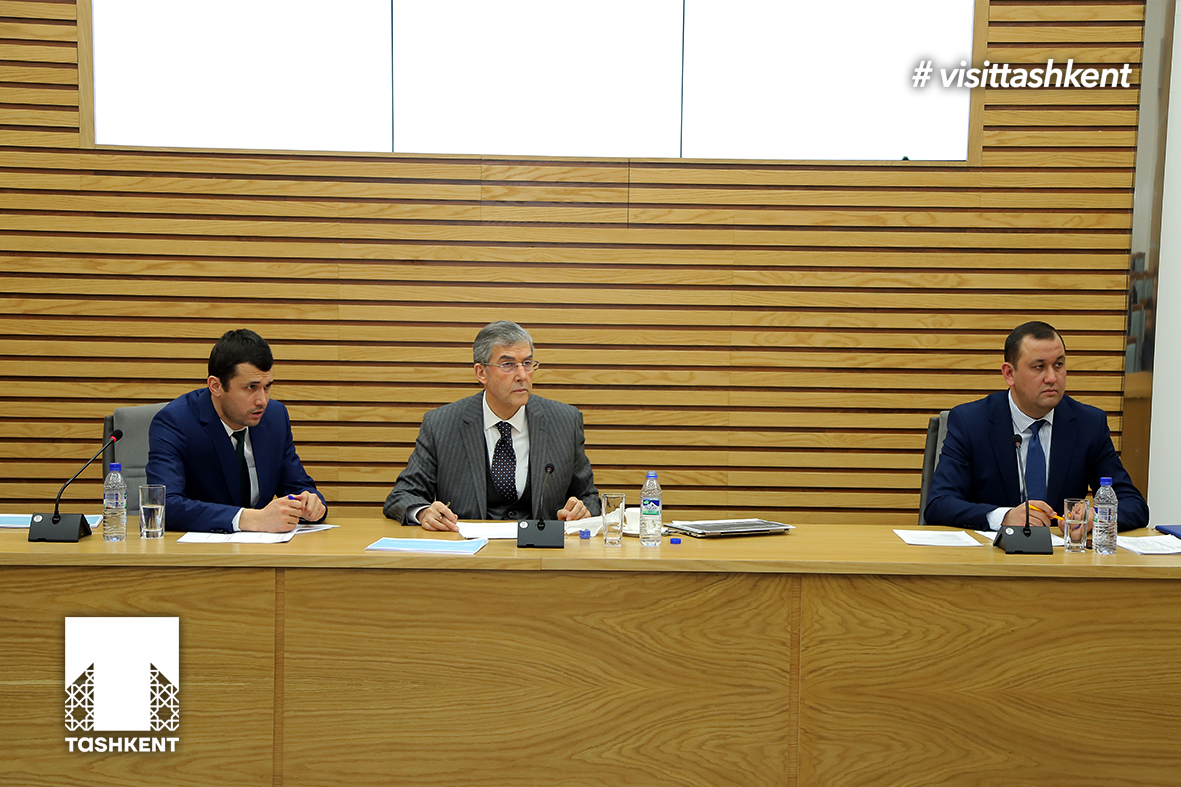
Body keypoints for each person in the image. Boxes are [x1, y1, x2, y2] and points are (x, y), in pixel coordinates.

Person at [925, 321, 1148, 532]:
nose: (1052, 377)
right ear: (1009, 374)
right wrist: (1004, 517)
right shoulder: (971, 422)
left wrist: (1097, 517)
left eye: (1058, 365)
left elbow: (1134, 504)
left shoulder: (1089, 424)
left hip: (1060, 554)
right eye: (1039, 367)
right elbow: (939, 503)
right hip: (991, 553)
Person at [384, 320, 599, 530]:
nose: (522, 375)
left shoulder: (565, 421)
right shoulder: (441, 425)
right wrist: (424, 513)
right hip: (468, 549)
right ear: (481, 373)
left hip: (541, 548)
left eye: (527, 363)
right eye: (508, 365)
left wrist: (582, 510)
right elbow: (402, 495)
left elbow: (589, 497)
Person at [147, 329, 327, 533]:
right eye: (251, 387)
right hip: (201, 548)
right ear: (216, 386)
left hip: (265, 546)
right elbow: (163, 506)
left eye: (267, 386)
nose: (262, 400)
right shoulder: (175, 422)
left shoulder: (275, 417)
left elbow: (298, 486)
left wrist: (312, 504)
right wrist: (249, 519)